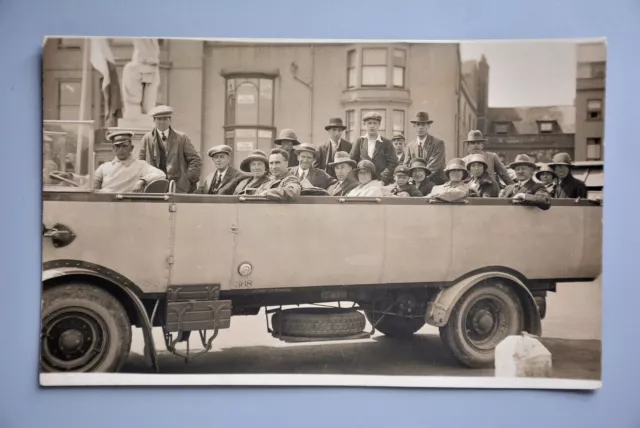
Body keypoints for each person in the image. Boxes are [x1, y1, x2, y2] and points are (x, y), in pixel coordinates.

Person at [50, 131, 166, 193]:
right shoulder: (104, 167)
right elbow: (89, 182)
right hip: (103, 203)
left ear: (131, 148)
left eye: (124, 146)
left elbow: (161, 174)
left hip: (127, 205)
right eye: (117, 146)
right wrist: (70, 176)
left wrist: (142, 181)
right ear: (113, 149)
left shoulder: (141, 165)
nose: (121, 149)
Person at [138, 105, 202, 193]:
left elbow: (195, 160)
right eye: (158, 119)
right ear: (154, 120)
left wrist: (187, 179)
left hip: (178, 186)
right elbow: (141, 163)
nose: (161, 122)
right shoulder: (147, 138)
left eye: (164, 119)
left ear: (170, 120)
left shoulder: (181, 138)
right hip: (154, 185)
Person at [349, 111, 398, 185]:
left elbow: (393, 164)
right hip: (362, 183)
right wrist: (358, 179)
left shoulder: (386, 143)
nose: (372, 126)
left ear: (379, 125)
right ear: (364, 125)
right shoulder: (359, 141)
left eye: (375, 123)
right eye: (369, 123)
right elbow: (352, 162)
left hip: (381, 183)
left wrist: (383, 180)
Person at [403, 111, 446, 185]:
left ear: (428, 126)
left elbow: (433, 166)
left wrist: (419, 180)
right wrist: (409, 180)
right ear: (414, 126)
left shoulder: (438, 143)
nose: (420, 127)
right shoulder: (410, 146)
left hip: (435, 182)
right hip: (416, 182)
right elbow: (406, 165)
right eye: (418, 124)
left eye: (423, 124)